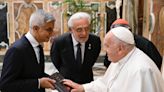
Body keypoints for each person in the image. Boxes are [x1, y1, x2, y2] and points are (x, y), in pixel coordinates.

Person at [63, 27, 164, 92]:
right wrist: (82, 88)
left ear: (120, 48)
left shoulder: (141, 70)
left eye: (107, 46)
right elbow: (106, 84)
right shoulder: (120, 59)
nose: (105, 50)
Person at [0, 9, 56, 92]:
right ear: (36, 28)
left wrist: (54, 80)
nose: (52, 33)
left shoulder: (38, 46)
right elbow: (5, 85)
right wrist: (38, 83)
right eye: (49, 30)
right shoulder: (16, 50)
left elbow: (35, 74)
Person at [50, 12, 101, 84]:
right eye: (79, 30)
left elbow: (93, 59)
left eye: (87, 29)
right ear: (71, 30)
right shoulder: (60, 42)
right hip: (66, 83)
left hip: (86, 84)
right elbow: (56, 60)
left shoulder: (95, 41)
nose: (84, 33)